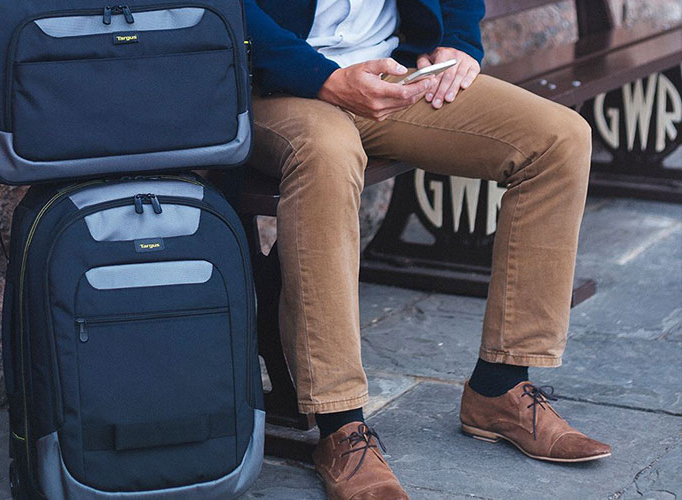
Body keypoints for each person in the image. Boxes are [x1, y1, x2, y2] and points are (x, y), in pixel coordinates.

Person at [244, 1, 612, 498]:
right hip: (275, 83)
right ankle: (340, 426)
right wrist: (323, 78)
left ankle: (498, 387)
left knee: (559, 139)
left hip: (397, 76)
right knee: (327, 154)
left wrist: (459, 42)